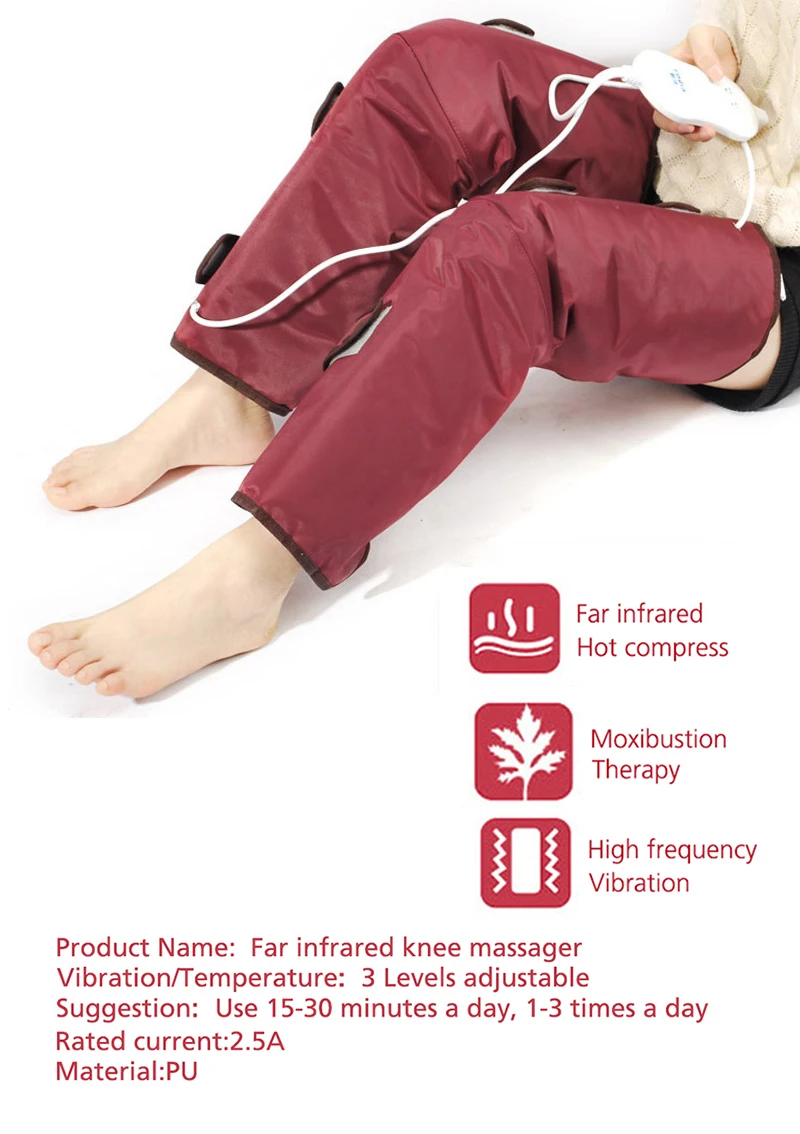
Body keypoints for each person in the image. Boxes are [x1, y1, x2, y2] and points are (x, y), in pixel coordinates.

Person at [28, 4, 799, 698]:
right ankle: (230, 389)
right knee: (432, 70)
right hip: (712, 146)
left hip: (773, 272)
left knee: (500, 253)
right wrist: (715, 47)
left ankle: (249, 576)